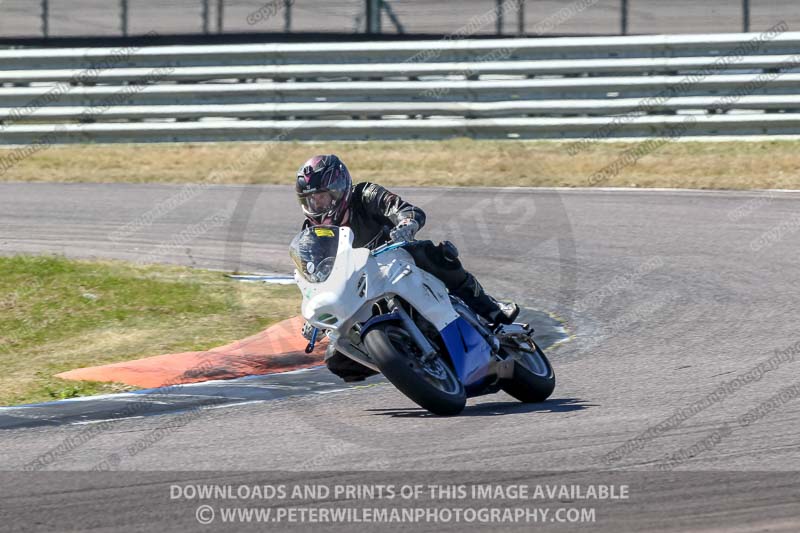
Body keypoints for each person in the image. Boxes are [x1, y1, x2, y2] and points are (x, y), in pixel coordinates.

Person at [295, 154, 519, 382]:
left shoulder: (365, 194)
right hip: (361, 290)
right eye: (310, 200)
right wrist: (315, 318)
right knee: (337, 358)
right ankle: (407, 363)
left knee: (436, 254)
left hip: (398, 261)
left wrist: (406, 222)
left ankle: (489, 307)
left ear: (339, 189)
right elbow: (317, 278)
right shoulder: (312, 234)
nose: (317, 205)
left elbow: (401, 208)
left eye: (321, 197)